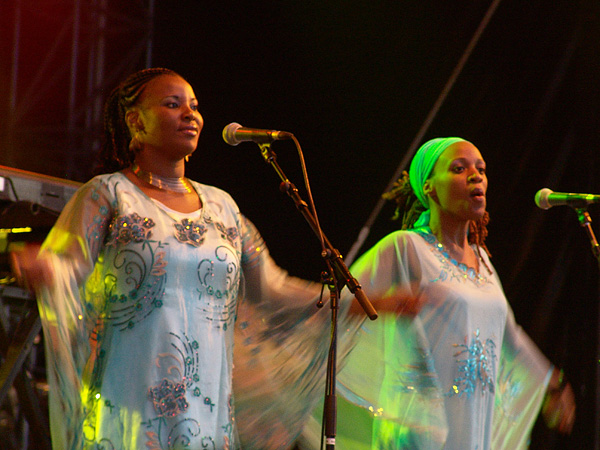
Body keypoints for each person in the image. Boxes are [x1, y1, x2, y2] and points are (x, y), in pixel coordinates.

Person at [10, 67, 337, 450]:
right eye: (172, 104)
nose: (190, 114)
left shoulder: (223, 207)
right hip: (130, 407)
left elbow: (271, 287)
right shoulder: (109, 195)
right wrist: (46, 268)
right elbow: (71, 265)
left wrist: (346, 299)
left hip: (206, 414)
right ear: (135, 121)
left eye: (194, 106)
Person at [299, 137, 576, 450]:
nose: (476, 176)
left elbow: (510, 336)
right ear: (428, 186)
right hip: (421, 430)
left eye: (481, 169)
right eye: (459, 168)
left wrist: (553, 382)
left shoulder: (483, 261)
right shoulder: (405, 247)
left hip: (472, 426)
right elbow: (335, 306)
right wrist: (381, 304)